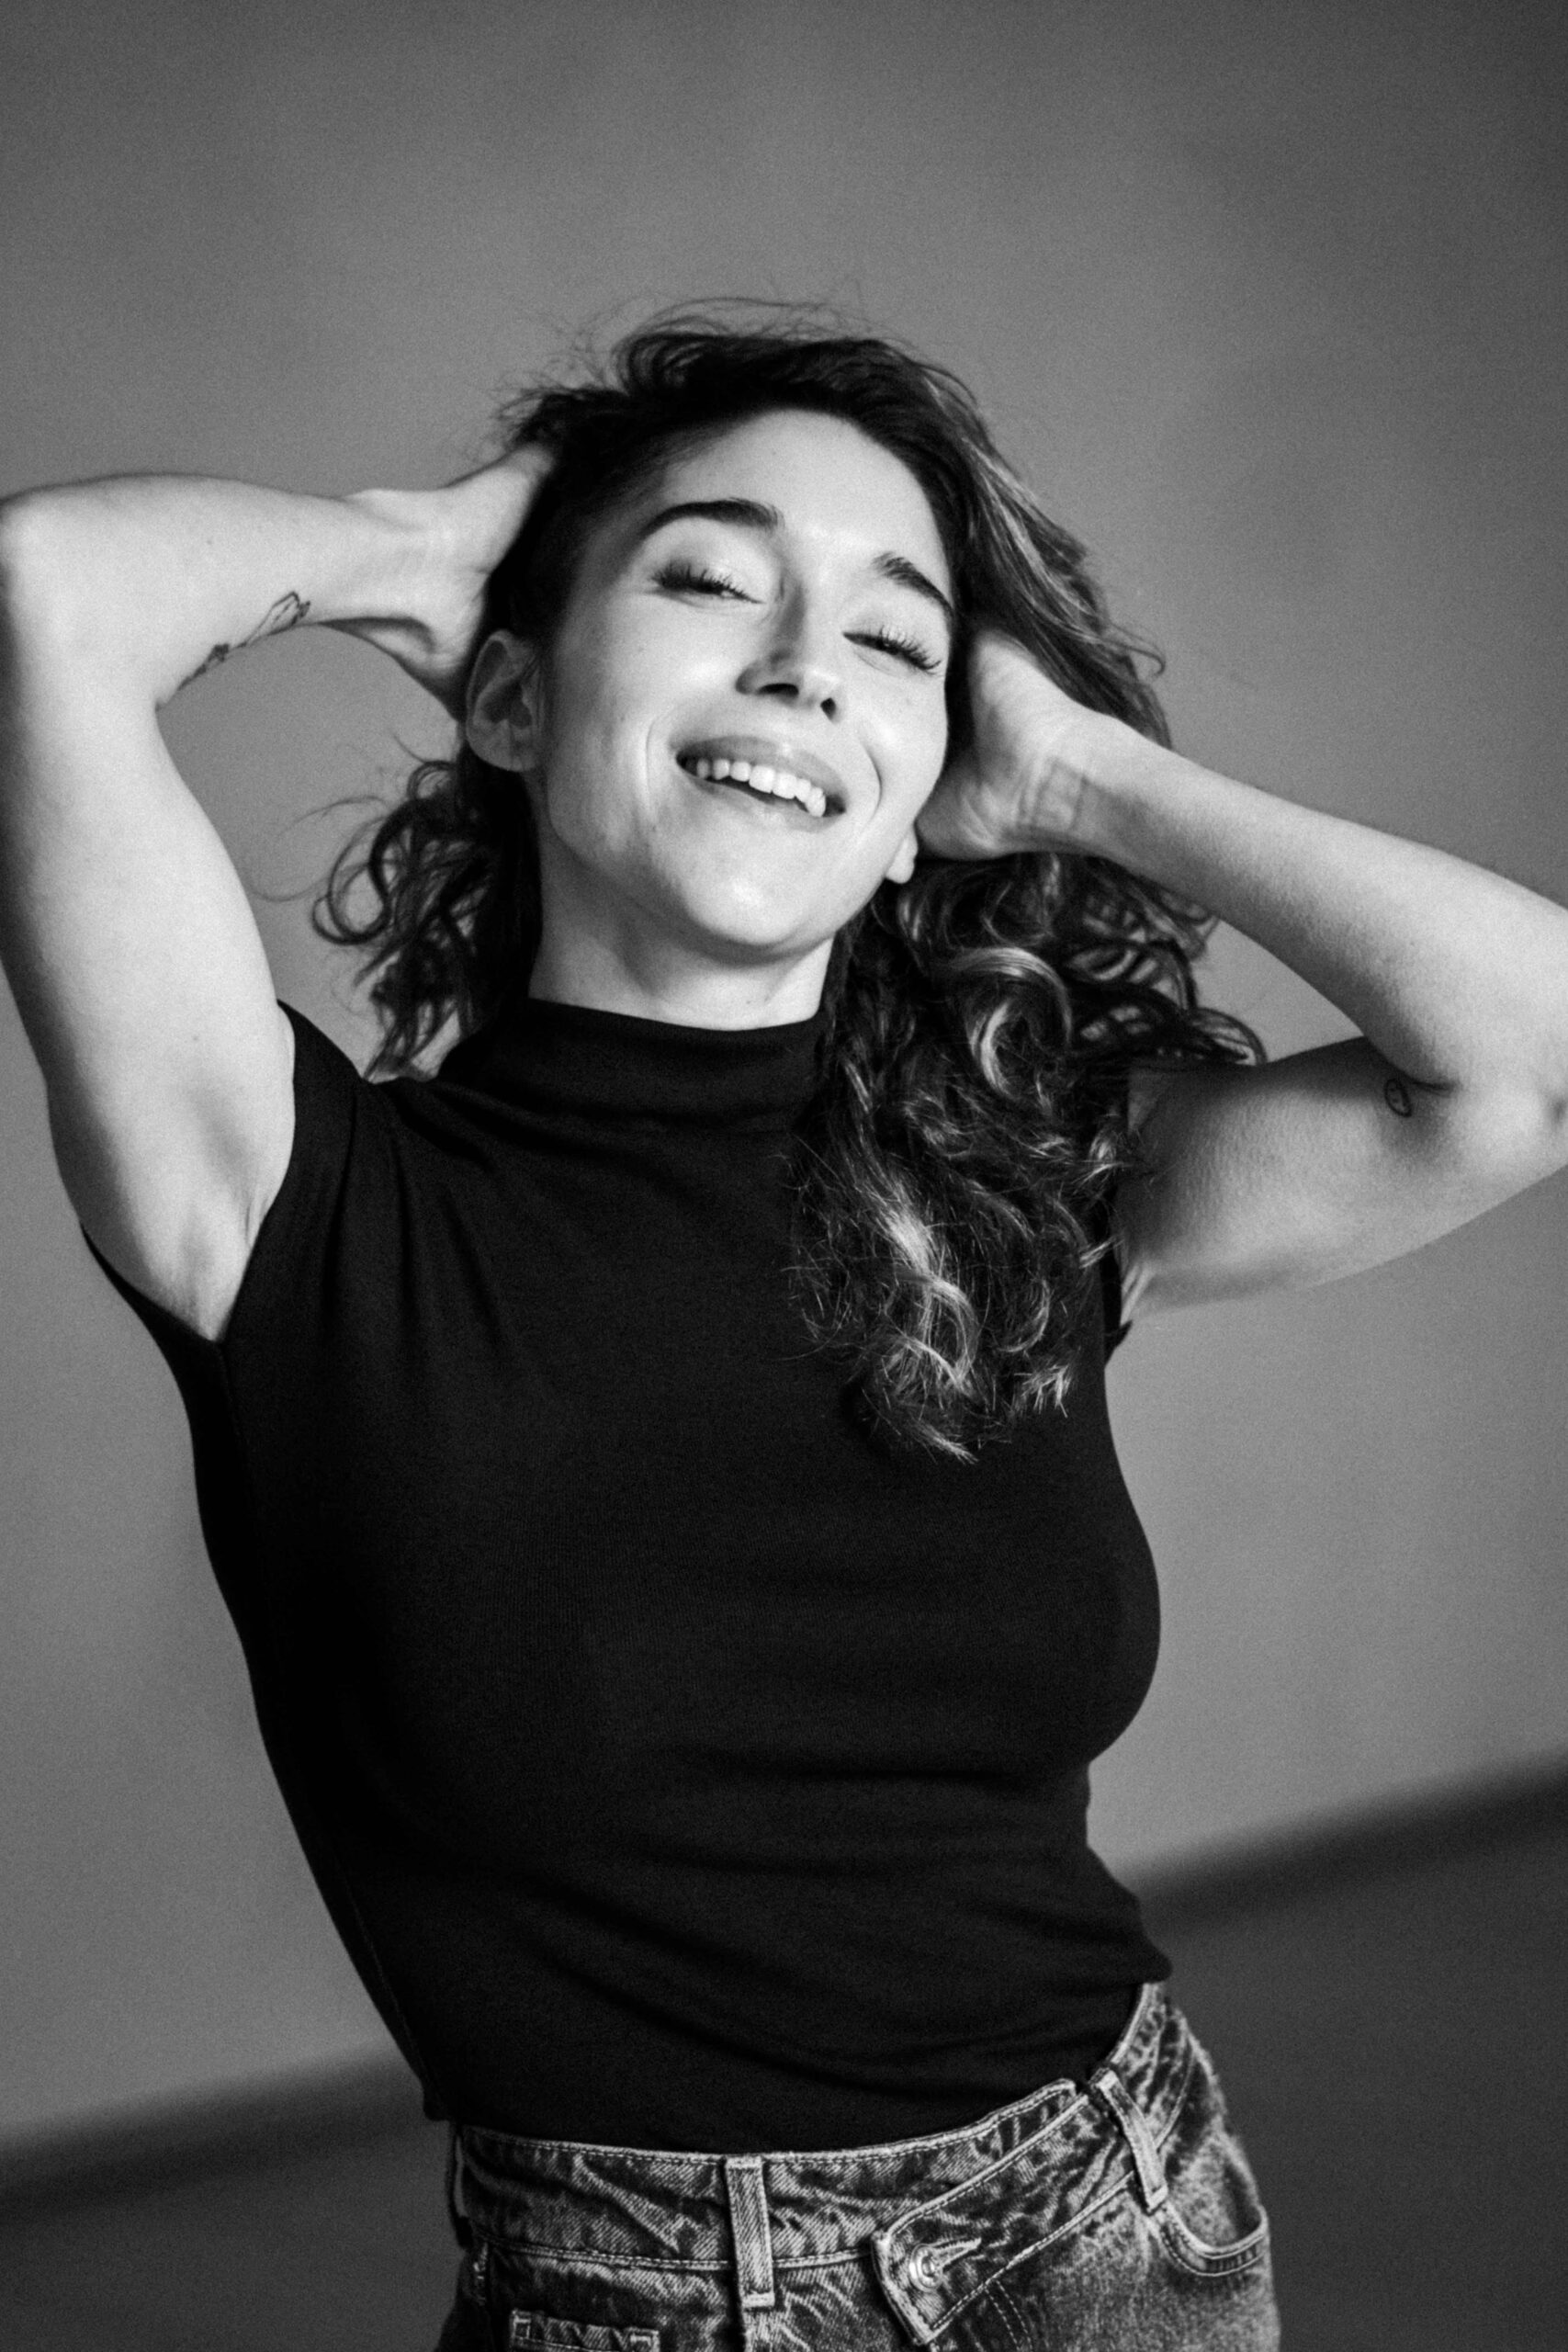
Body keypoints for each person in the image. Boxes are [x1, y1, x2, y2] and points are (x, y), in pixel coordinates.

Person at [2, 313, 1564, 2351]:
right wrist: (415, 552)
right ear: (505, 691)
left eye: (893, 639)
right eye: (708, 579)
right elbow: (43, 590)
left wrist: (1078, 773)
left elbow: (1526, 1063)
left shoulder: (1021, 1179)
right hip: (645, 2299)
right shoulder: (289, 1207)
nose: (806, 662)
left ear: (926, 793)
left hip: (1125, 2234)